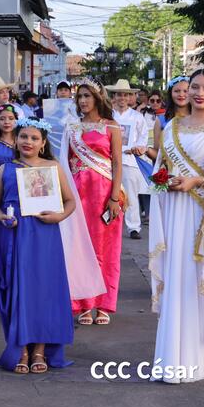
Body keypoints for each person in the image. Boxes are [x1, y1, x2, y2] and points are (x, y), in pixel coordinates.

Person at [0, 117, 104, 373]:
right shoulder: (5, 169)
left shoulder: (53, 167)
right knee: (19, 291)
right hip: (14, 237)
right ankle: (21, 349)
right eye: (23, 136)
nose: (28, 142)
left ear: (43, 143)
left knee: (44, 292)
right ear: (16, 140)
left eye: (34, 138)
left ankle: (40, 351)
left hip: (45, 236)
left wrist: (58, 216)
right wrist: (2, 217)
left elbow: (70, 201)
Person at [149, 69, 204, 383]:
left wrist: (195, 181)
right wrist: (166, 182)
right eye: (195, 87)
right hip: (175, 212)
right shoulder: (172, 127)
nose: (199, 93)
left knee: (200, 278)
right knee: (179, 277)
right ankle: (176, 358)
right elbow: (158, 172)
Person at [66, 80, 124, 326]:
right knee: (79, 249)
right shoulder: (71, 127)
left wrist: (114, 197)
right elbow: (64, 161)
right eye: (80, 96)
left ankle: (102, 304)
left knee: (105, 250)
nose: (83, 101)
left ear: (98, 98)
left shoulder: (111, 126)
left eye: (87, 96)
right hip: (78, 194)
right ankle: (83, 304)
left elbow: (117, 163)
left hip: (103, 195)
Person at [106, 79, 149, 241]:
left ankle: (133, 227)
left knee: (130, 195)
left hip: (129, 160)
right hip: (109, 160)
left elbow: (143, 136)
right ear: (114, 96)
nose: (122, 98)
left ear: (130, 97)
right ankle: (109, 222)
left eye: (125, 95)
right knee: (108, 193)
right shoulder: (108, 115)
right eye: (119, 95)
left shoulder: (137, 117)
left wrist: (138, 148)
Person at [147, 76, 190, 161]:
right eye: (177, 91)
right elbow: (157, 154)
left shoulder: (199, 119)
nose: (181, 94)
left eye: (186, 91)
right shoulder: (161, 120)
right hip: (169, 168)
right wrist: (146, 150)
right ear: (171, 94)